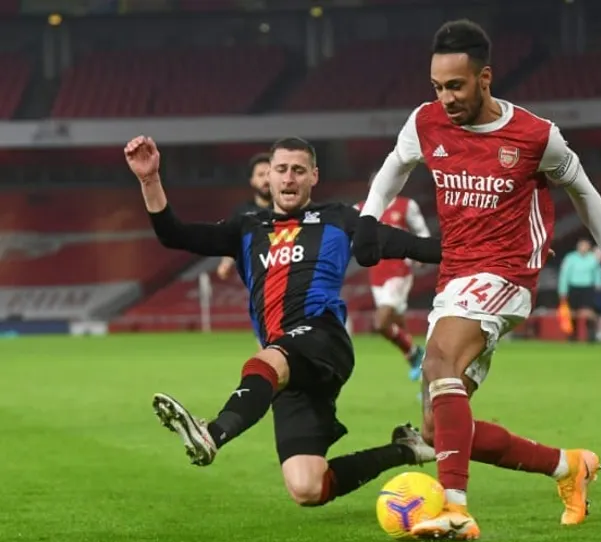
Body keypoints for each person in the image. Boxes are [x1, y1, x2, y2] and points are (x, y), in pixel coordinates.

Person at [352, 19, 601, 540]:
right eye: (437, 87)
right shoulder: (425, 122)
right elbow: (394, 166)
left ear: (485, 78)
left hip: (507, 274)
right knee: (440, 428)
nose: (445, 98)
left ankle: (455, 509)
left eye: (456, 86)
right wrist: (367, 219)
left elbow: (584, 192)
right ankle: (569, 467)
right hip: (455, 276)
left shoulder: (535, 136)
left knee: (438, 361)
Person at [125, 135, 441, 508]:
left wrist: (478, 250)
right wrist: (149, 179)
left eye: (298, 170)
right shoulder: (246, 227)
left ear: (314, 176)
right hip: (287, 364)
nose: (289, 178)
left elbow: (410, 245)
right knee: (308, 488)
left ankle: (212, 433)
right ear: (269, 177)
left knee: (266, 360)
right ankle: (405, 449)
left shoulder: (339, 218)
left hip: (323, 338)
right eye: (281, 170)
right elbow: (173, 234)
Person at [354, 180, 431, 380]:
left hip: (399, 272)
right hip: (376, 274)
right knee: (396, 321)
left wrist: (420, 254)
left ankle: (415, 354)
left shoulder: (406, 205)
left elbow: (422, 232)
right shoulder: (361, 209)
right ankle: (420, 363)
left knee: (380, 322)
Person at [216, 153, 272, 280]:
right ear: (252, 180)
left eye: (269, 174)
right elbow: (232, 241)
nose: (266, 180)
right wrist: (225, 264)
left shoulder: (286, 209)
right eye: (260, 175)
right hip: (256, 277)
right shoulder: (242, 212)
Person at [558, 238, 601, 342]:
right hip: (574, 287)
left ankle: (591, 335)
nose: (583, 248)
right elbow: (564, 275)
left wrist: (599, 283)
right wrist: (562, 290)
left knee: (589, 312)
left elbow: (597, 272)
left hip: (588, 287)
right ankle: (573, 334)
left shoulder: (593, 258)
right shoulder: (570, 258)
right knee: (573, 312)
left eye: (586, 245)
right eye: (582, 245)